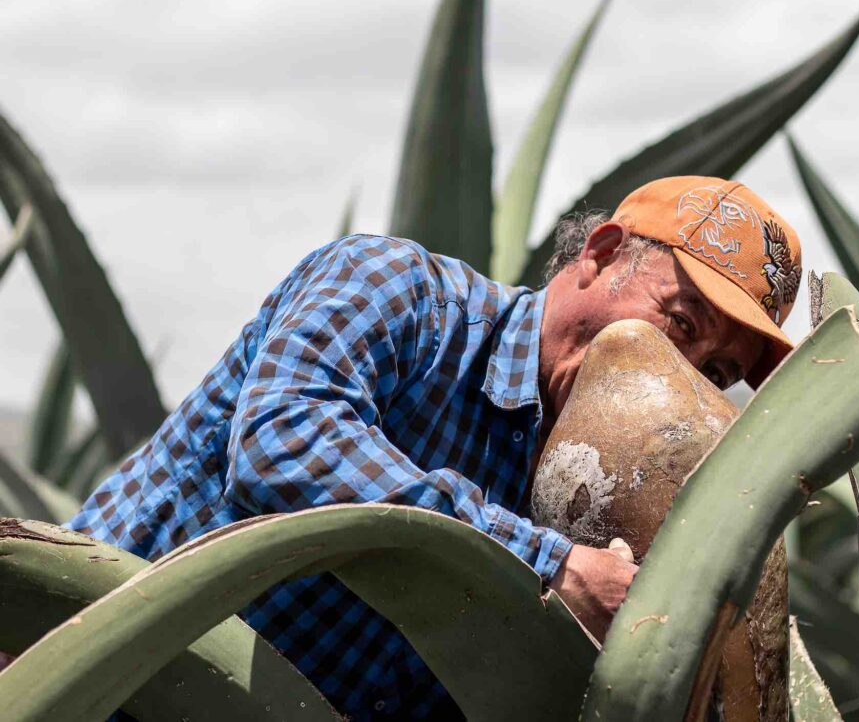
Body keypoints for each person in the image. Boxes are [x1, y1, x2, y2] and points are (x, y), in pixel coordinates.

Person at [69, 175, 802, 719]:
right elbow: (281, 443)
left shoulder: (600, 505)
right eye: (679, 323)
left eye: (715, 373)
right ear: (602, 255)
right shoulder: (399, 292)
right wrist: (548, 568)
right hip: (81, 682)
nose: (682, 375)